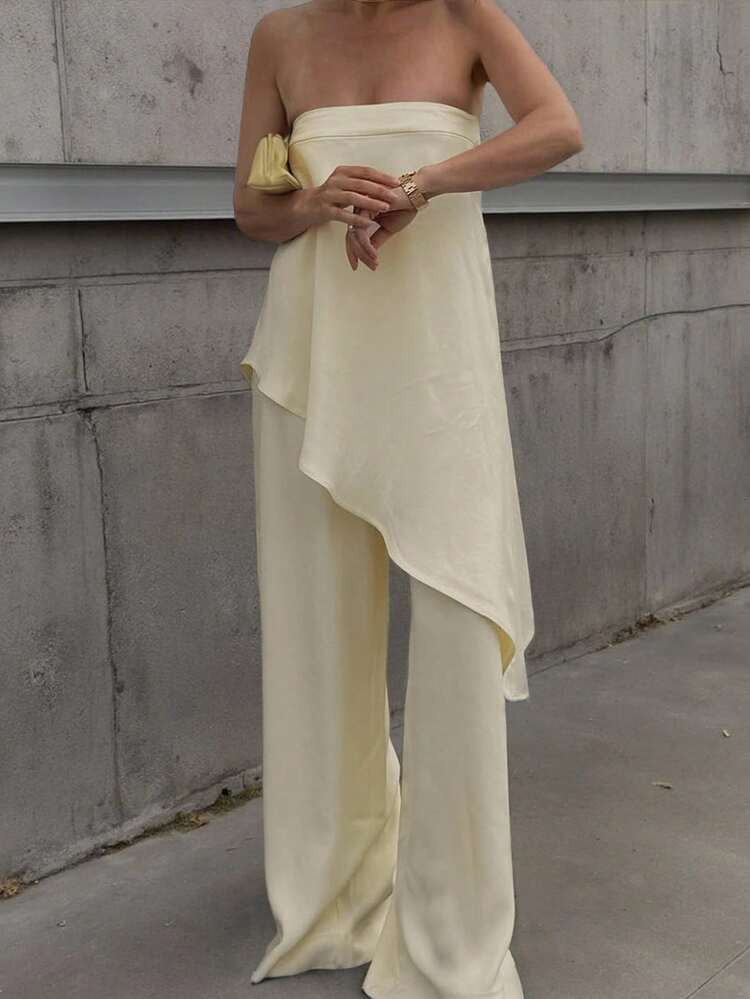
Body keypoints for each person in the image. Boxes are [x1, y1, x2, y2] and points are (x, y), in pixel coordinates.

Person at [233, 2, 583, 997]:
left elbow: (558, 126)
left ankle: (450, 924)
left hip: (436, 366)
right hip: (310, 365)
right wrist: (315, 201)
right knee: (317, 633)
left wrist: (426, 181)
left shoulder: (465, 14)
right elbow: (253, 209)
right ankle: (335, 891)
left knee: (458, 618)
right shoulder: (281, 38)